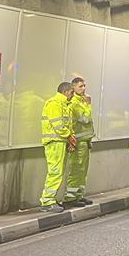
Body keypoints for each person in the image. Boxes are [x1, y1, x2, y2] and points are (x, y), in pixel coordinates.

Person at [39, 82, 75, 212]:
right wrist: (69, 136)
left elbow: (67, 125)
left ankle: (50, 199)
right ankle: (47, 201)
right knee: (55, 172)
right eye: (71, 92)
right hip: (54, 142)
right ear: (65, 92)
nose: (73, 95)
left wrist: (70, 139)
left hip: (60, 142)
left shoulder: (64, 104)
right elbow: (58, 125)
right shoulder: (54, 104)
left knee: (58, 172)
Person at [63, 76, 94, 208]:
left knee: (83, 170)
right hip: (78, 141)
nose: (84, 88)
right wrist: (87, 104)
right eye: (80, 86)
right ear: (73, 87)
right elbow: (85, 119)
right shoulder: (75, 102)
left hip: (85, 141)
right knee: (76, 169)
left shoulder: (81, 100)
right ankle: (70, 197)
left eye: (84, 85)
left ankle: (79, 195)